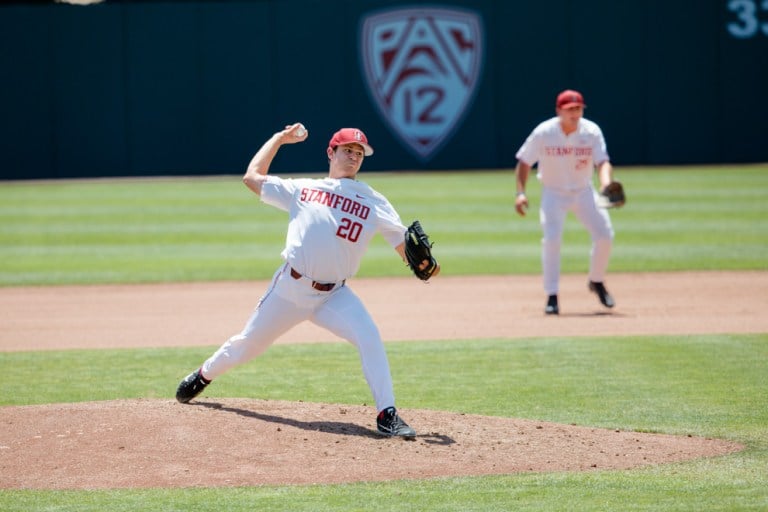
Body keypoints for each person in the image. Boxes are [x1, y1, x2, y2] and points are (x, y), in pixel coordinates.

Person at [176, 123, 438, 438]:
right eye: (347, 151)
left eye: (359, 153)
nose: (353, 157)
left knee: (369, 336)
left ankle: (387, 414)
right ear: (331, 152)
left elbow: (404, 248)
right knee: (247, 345)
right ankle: (203, 375)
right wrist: (278, 139)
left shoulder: (374, 201)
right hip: (289, 290)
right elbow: (251, 177)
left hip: (334, 296)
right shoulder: (304, 189)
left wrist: (427, 266)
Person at [513, 89, 617, 315]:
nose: (575, 113)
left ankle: (596, 280)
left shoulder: (591, 131)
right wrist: (520, 193)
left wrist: (606, 183)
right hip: (553, 192)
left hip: (584, 191)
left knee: (605, 236)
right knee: (552, 240)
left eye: (578, 108)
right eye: (570, 109)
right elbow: (524, 161)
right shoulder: (544, 132)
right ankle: (552, 295)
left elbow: (603, 161)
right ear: (559, 110)